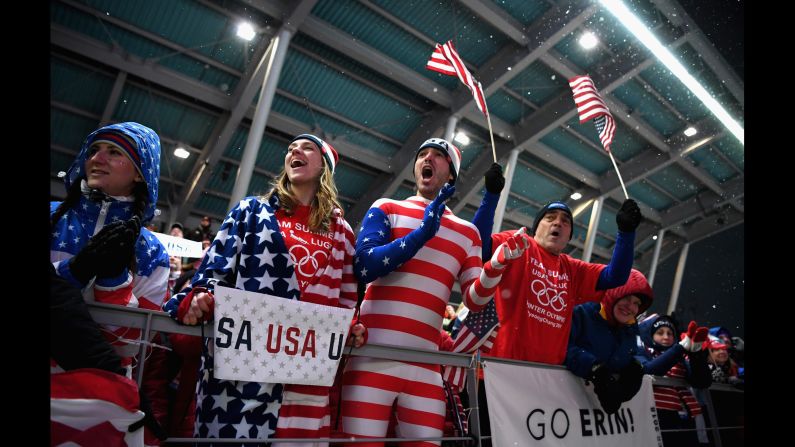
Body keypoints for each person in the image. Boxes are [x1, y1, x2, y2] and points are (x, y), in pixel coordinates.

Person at [163, 134, 365, 445]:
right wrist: (201, 296)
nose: (294, 150)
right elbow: (215, 269)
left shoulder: (342, 232)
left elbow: (347, 297)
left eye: (307, 147)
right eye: (290, 149)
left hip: (305, 374)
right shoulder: (251, 212)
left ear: (324, 165)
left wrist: (350, 325)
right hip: (244, 367)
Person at [340, 137, 530, 444]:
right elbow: (364, 267)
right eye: (422, 154)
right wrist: (421, 233)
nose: (427, 159)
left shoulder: (466, 232)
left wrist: (496, 264)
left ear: (451, 173)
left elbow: (474, 301)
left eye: (438, 156)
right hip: (371, 357)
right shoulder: (387, 208)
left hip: (425, 368)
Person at [50, 121, 170, 374]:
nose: (97, 158)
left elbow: (130, 346)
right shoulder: (51, 217)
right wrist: (72, 272)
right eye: (94, 149)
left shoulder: (152, 252)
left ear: (140, 173)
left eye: (114, 152)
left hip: (99, 395)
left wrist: (114, 283)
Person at [564, 269, 654, 414]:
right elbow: (563, 347)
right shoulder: (581, 313)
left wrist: (636, 367)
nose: (630, 307)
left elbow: (638, 353)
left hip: (598, 424)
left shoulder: (631, 327)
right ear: (613, 294)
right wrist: (595, 369)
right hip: (567, 405)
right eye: (626, 298)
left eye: (636, 303)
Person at [636, 314, 711, 447]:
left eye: (670, 333)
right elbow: (651, 370)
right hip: (656, 415)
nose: (666, 337)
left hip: (686, 416)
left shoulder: (680, 356)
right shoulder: (642, 353)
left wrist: (696, 354)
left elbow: (702, 382)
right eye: (660, 333)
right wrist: (679, 348)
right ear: (649, 335)